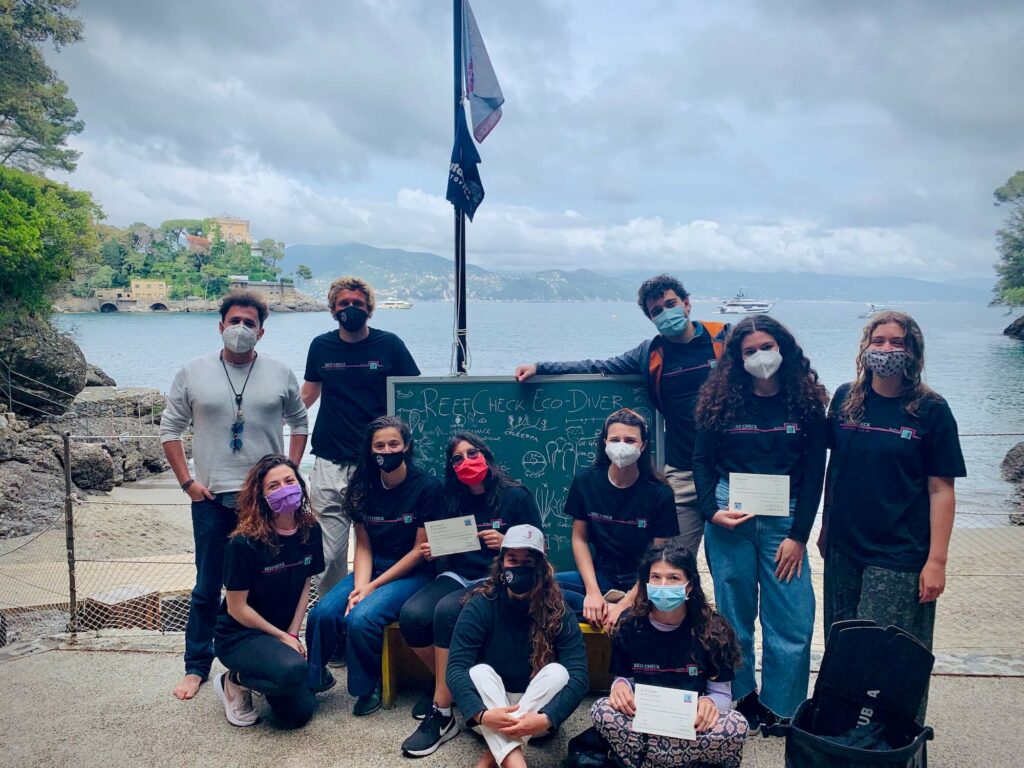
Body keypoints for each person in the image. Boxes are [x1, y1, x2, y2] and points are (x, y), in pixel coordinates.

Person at [515, 275, 729, 557]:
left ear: (687, 304)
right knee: (673, 561)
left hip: (728, 472)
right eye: (657, 311)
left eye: (671, 304)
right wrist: (541, 367)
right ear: (651, 318)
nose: (666, 313)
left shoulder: (724, 338)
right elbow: (598, 366)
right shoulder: (651, 353)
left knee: (729, 567)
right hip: (683, 472)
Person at [161, 291, 308, 700]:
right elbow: (169, 429)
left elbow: (299, 421)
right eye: (234, 321)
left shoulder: (279, 372)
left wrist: (290, 473)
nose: (241, 329)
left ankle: (263, 652)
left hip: (265, 502)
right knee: (207, 585)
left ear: (261, 331)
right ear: (220, 325)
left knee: (262, 583)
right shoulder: (193, 371)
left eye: (249, 323)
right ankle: (196, 667)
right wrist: (186, 482)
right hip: (211, 498)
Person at [819, 311, 965, 722]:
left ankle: (892, 737)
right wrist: (826, 526)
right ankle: (842, 735)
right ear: (865, 348)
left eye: (897, 342)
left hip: (900, 552)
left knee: (891, 650)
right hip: (845, 549)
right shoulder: (847, 398)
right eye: (878, 341)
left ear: (913, 351)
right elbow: (835, 468)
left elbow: (942, 489)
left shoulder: (931, 409)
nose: (886, 350)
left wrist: (936, 561)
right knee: (843, 644)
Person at [693, 315, 828, 731]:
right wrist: (710, 512)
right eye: (748, 351)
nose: (759, 356)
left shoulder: (806, 404)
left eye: (766, 347)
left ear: (783, 348)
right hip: (728, 518)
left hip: (785, 521)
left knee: (792, 618)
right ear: (736, 358)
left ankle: (783, 706)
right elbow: (701, 462)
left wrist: (799, 536)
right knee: (733, 615)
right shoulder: (719, 401)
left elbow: (813, 474)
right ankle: (738, 695)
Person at [400, 432, 542, 757]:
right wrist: (433, 550)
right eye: (457, 458)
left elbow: (538, 548)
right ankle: (456, 691)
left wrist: (507, 540)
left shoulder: (516, 496)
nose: (466, 461)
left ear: (486, 455)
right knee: (413, 615)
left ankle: (443, 712)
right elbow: (439, 544)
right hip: (457, 574)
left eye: (472, 453)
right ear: (451, 467)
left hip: (497, 577)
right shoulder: (448, 498)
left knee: (448, 611)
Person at [304, 416, 442, 715]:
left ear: (406, 446)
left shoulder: (427, 487)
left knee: (361, 617)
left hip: (413, 573)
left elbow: (420, 550)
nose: (387, 450)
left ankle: (368, 685)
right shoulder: (362, 487)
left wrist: (371, 589)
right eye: (379, 445)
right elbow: (363, 545)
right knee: (324, 612)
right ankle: (313, 678)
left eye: (394, 444)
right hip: (373, 568)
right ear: (370, 450)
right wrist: (360, 587)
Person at [302, 276, 420, 597]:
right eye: (343, 304)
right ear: (332, 309)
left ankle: (368, 606)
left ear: (369, 309)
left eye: (357, 303)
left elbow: (414, 396)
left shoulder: (390, 345)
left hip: (377, 464)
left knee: (378, 544)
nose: (350, 309)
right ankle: (330, 618)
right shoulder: (320, 347)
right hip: (329, 461)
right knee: (328, 557)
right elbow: (307, 396)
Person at [591, 543, 748, 768]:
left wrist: (709, 703)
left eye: (673, 578)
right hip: (646, 718)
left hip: (690, 723)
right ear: (646, 583)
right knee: (601, 710)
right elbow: (624, 680)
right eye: (655, 577)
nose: (663, 585)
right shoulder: (629, 626)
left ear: (689, 586)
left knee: (736, 724)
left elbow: (722, 695)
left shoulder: (713, 631)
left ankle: (647, 760)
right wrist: (620, 686)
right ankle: (680, 761)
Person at [447, 524, 589, 768]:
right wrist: (482, 715)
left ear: (541, 568)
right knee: (478, 672)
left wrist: (547, 719)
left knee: (558, 672)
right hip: (489, 713)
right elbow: (456, 669)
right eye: (513, 559)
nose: (520, 567)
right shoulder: (481, 605)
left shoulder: (557, 609)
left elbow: (579, 676)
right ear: (502, 563)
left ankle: (491, 758)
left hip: (538, 717)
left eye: (529, 561)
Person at [212, 455, 323, 729]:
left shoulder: (311, 529)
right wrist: (281, 637)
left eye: (289, 480)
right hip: (240, 635)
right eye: (273, 486)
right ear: (260, 496)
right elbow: (237, 608)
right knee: (293, 671)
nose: (284, 488)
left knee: (299, 715)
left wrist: (294, 634)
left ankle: (278, 669)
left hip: (282, 633)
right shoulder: (244, 542)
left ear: (300, 484)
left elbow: (306, 583)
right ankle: (234, 680)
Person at [557, 408, 678, 630]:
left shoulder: (660, 493)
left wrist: (625, 602)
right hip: (601, 575)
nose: (622, 445)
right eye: (615, 439)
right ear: (605, 443)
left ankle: (624, 613)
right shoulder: (586, 481)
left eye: (630, 440)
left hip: (642, 578)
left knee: (664, 605)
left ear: (642, 445)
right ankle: (603, 609)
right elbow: (579, 539)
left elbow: (658, 555)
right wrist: (593, 594)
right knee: (542, 588)